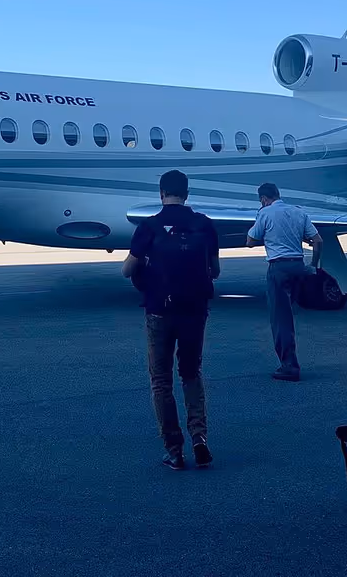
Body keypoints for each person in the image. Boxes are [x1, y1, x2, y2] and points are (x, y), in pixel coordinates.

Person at [122, 170, 221, 470]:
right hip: (194, 311)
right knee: (191, 373)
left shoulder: (149, 226)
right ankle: (200, 439)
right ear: (187, 193)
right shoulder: (204, 225)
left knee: (161, 380)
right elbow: (214, 271)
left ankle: (174, 449)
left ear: (161, 193)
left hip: (158, 311)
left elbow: (127, 270)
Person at [246, 183, 321, 381]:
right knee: (292, 315)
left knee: (281, 320)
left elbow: (250, 241)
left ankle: (289, 366)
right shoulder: (298, 212)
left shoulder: (265, 213)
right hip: (299, 265)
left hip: (279, 268)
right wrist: (313, 265)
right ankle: (292, 360)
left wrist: (269, 236)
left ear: (263, 199)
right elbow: (318, 240)